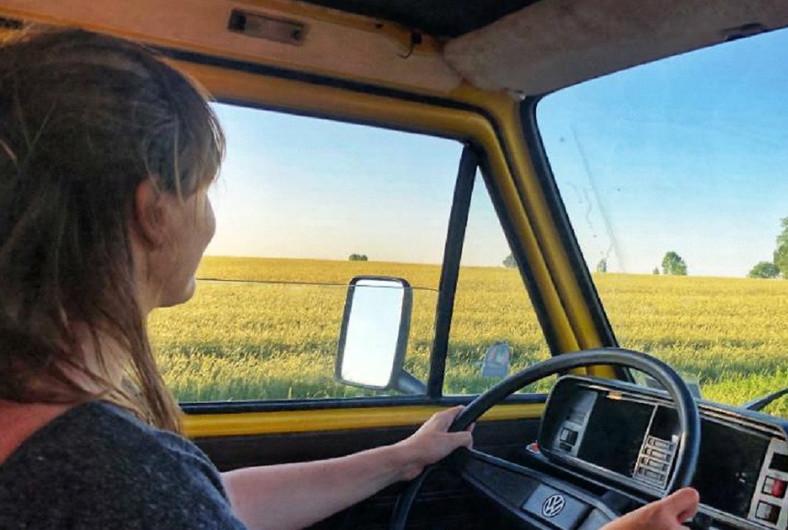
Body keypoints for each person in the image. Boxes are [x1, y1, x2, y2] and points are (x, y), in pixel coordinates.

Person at [0, 28, 698, 529]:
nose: (210, 222)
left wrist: (401, 458)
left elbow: (220, 501)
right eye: (204, 191)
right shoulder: (110, 474)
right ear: (153, 211)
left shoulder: (83, 454)